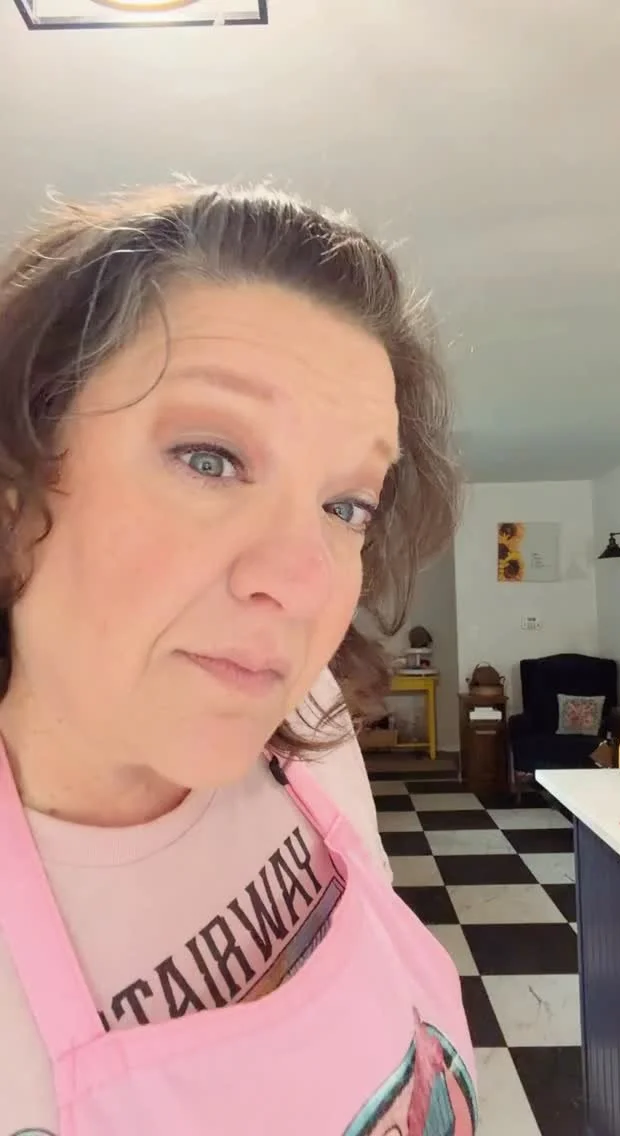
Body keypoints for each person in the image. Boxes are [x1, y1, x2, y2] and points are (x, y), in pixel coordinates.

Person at [0, 183, 476, 1135]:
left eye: (347, 505)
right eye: (210, 457)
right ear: (14, 489)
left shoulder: (309, 724)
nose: (303, 582)